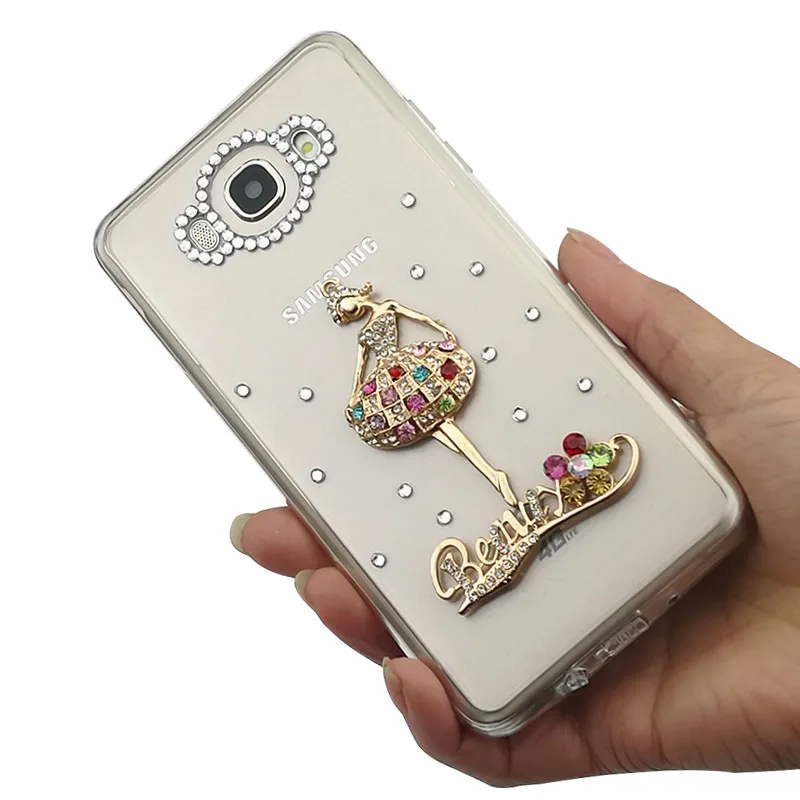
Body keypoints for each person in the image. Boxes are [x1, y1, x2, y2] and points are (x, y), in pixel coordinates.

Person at [229, 230, 800, 783]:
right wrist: (359, 396)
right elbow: (365, 368)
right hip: (406, 391)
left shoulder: (384, 310)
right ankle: (501, 484)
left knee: (456, 439)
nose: (347, 315)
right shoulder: (364, 337)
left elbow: (423, 322)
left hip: (421, 379)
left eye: (347, 307)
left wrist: (435, 345)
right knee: (454, 443)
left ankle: (506, 483)